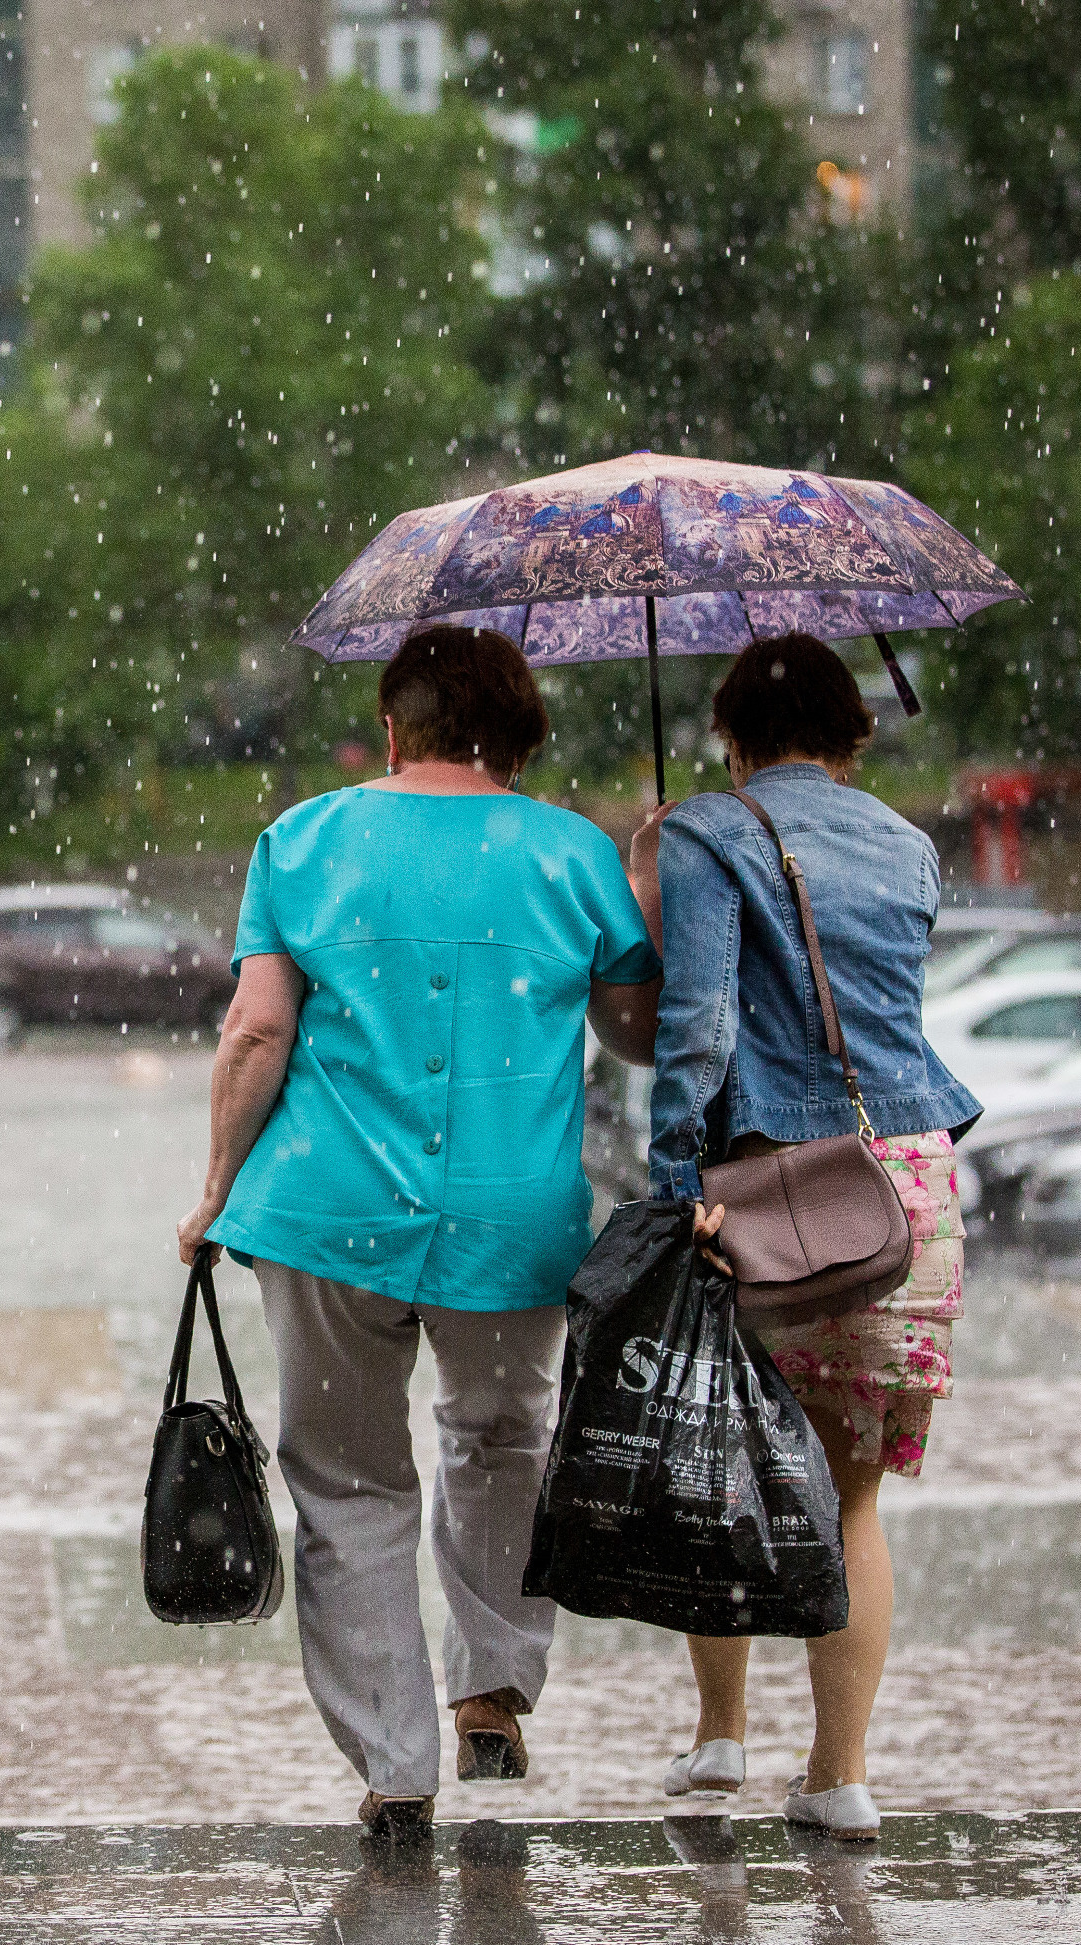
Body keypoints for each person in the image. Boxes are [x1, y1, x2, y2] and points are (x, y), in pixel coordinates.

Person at [176, 624, 663, 1844]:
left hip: (327, 1212)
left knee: (346, 1480)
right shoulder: (571, 852)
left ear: (394, 727)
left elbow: (255, 1035)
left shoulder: (307, 838)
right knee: (502, 1435)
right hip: (515, 1222)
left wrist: (214, 1186)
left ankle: (397, 1770)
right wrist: (645, 883)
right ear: (515, 734)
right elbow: (641, 1033)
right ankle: (492, 1680)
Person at [629, 630, 983, 1840]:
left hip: (775, 1193)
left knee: (717, 1468)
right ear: (855, 733)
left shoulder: (711, 834)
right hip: (907, 1189)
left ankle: (720, 1740)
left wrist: (677, 1181)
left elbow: (702, 1027)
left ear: (728, 729)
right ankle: (839, 1773)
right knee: (852, 1499)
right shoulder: (908, 843)